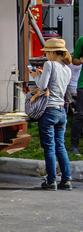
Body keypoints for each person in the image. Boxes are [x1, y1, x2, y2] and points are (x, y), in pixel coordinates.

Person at [28, 38, 73, 190]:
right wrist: (42, 74)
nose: (45, 55)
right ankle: (66, 180)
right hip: (61, 111)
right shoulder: (66, 68)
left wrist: (36, 76)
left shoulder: (49, 64)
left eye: (46, 52)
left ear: (53, 52)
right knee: (60, 146)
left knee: (49, 147)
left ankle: (51, 181)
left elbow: (42, 87)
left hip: (49, 111)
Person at [68, 35, 83, 156]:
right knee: (80, 115)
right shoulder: (82, 40)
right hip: (82, 84)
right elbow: (75, 60)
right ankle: (74, 147)